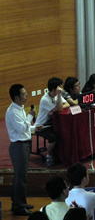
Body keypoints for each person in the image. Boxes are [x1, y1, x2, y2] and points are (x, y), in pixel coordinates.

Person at [6, 84, 41, 215]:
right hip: (19, 146)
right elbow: (21, 129)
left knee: (20, 176)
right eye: (24, 94)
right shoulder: (13, 112)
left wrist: (34, 128)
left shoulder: (19, 108)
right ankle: (19, 207)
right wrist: (30, 116)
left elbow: (23, 127)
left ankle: (18, 203)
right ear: (16, 97)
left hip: (23, 144)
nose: (27, 95)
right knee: (21, 178)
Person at [34, 77, 68, 166]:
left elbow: (67, 104)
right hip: (42, 126)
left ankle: (60, 154)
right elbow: (60, 109)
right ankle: (49, 155)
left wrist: (59, 106)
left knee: (64, 133)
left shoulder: (56, 96)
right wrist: (59, 96)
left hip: (52, 123)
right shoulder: (45, 99)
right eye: (60, 87)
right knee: (53, 137)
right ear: (54, 89)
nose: (62, 89)